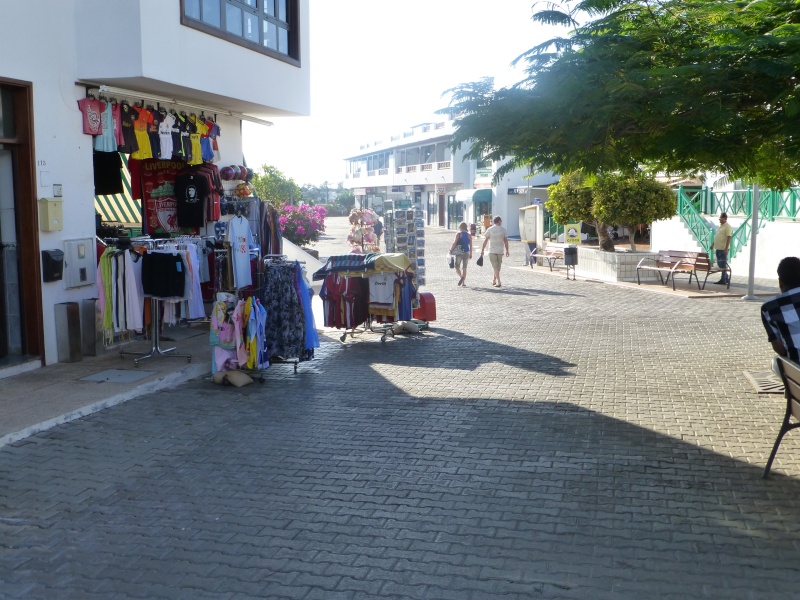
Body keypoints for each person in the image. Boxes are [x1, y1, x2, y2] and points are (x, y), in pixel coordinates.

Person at [761, 256, 800, 375]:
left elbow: (780, 349)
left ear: (781, 282)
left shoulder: (770, 307)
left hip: (797, 374)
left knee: (777, 361)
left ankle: (790, 392)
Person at [480, 215, 510, 287]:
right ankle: (496, 281)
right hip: (500, 250)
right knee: (497, 267)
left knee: (495, 267)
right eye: (501, 220)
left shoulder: (490, 229)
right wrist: (507, 250)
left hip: (492, 250)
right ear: (499, 221)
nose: (501, 222)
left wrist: (482, 250)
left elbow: (485, 240)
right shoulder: (503, 230)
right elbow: (506, 241)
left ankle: (497, 281)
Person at [449, 222, 472, 286]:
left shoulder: (459, 234)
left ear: (461, 227)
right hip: (466, 252)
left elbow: (455, 243)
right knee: (464, 267)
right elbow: (471, 245)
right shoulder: (469, 235)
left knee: (457, 267)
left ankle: (461, 277)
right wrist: (471, 253)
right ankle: (463, 282)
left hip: (459, 252)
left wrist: (451, 250)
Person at [713, 212, 732, 284]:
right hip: (718, 248)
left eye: (720, 218)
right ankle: (725, 277)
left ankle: (723, 279)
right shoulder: (721, 226)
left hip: (723, 249)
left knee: (723, 264)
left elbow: (729, 237)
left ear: (724, 218)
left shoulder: (727, 227)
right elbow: (718, 236)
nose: (719, 220)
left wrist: (726, 248)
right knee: (719, 264)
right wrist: (713, 244)